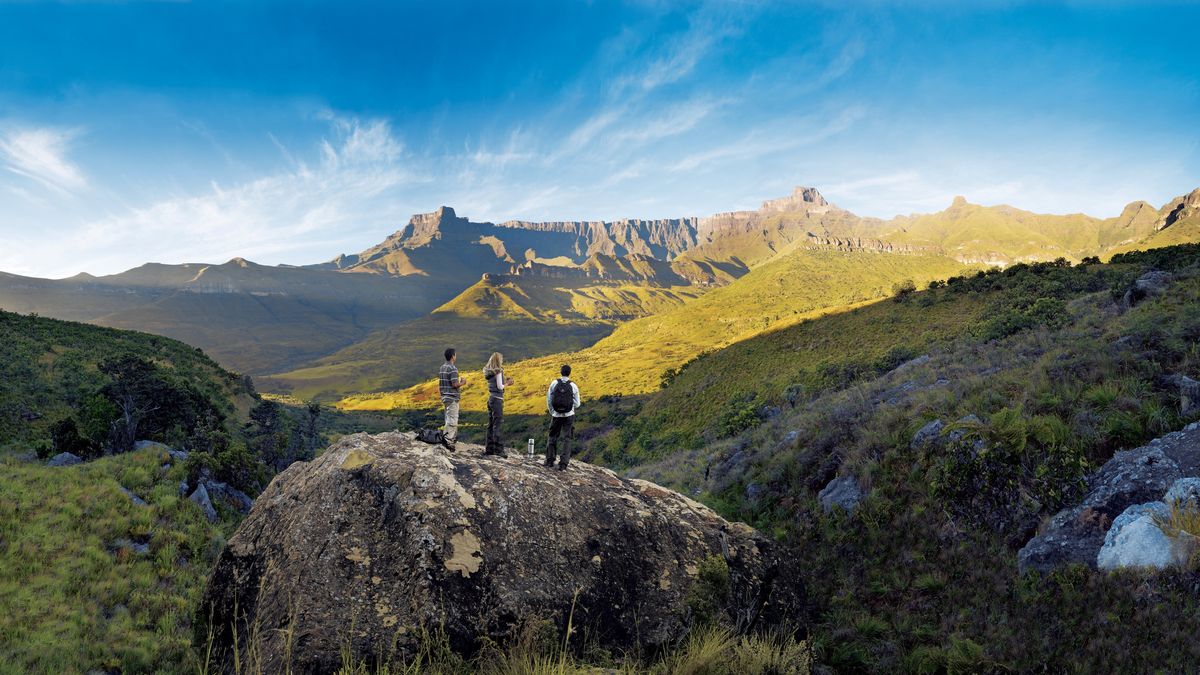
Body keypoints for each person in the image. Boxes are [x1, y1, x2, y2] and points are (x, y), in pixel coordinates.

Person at [545, 364, 580, 470]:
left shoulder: (554, 383)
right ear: (570, 373)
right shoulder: (573, 386)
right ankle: (563, 464)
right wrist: (569, 405)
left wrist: (553, 411)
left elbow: (549, 399)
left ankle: (550, 460)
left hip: (556, 415)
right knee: (567, 438)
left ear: (561, 372)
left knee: (552, 436)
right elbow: (577, 404)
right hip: (569, 415)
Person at [482, 352, 512, 456]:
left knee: (490, 425)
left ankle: (489, 449)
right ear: (499, 360)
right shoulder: (498, 372)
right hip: (497, 399)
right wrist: (508, 383)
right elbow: (500, 386)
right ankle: (499, 450)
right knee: (497, 425)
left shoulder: (489, 373)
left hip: (491, 398)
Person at [438, 348, 467, 450]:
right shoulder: (453, 368)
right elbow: (454, 384)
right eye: (455, 355)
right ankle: (449, 442)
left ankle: (447, 438)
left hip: (445, 397)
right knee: (453, 420)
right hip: (452, 397)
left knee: (448, 418)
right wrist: (463, 382)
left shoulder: (442, 368)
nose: (456, 356)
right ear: (452, 356)